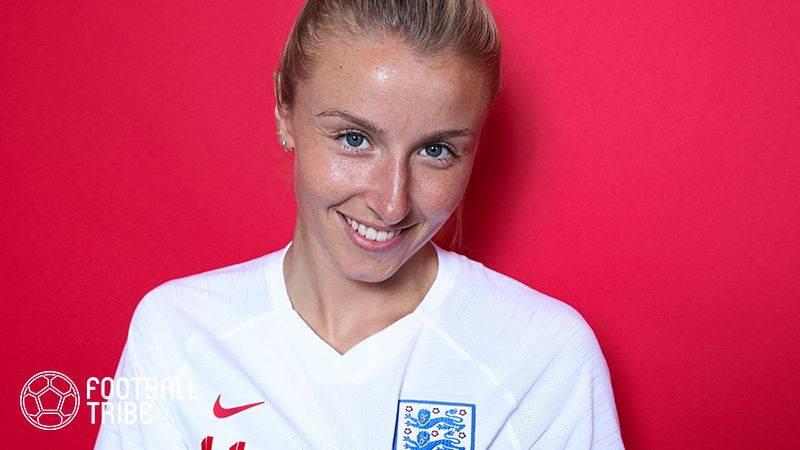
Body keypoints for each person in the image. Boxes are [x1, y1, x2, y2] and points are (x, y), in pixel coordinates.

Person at [95, 0, 623, 448]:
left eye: (436, 150)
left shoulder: (541, 357)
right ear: (284, 109)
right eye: (355, 139)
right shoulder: (179, 332)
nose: (392, 204)